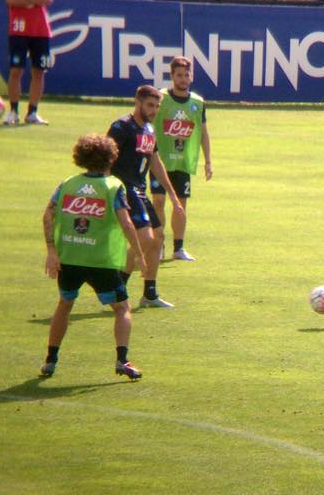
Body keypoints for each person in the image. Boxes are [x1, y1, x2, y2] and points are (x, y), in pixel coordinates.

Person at [40, 134, 147, 379]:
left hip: (69, 258)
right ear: (111, 158)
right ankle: (122, 360)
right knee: (122, 308)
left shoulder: (67, 184)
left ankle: (50, 361)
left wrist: (51, 251)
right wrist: (139, 255)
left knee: (64, 304)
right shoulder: (113, 186)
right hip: (101, 261)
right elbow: (126, 223)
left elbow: (47, 215)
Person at [107, 85, 184, 308]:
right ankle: (117, 286)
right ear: (137, 102)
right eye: (150, 105)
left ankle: (149, 293)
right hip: (123, 189)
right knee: (147, 238)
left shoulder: (149, 129)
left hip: (139, 190)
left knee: (158, 237)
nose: (154, 110)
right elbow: (105, 159)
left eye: (157, 106)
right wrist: (104, 188)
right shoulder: (121, 127)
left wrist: (173, 195)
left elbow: (155, 162)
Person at [149, 56, 212, 262]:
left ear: (191, 76)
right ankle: (158, 245)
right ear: (172, 76)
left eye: (186, 75)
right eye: (179, 75)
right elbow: (148, 123)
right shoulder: (161, 98)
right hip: (160, 162)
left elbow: (203, 133)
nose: (183, 79)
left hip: (182, 163)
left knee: (180, 205)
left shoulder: (198, 103)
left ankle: (178, 248)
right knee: (158, 201)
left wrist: (208, 161)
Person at [0, 0, 54, 126]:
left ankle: (32, 112)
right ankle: (13, 111)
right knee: (16, 71)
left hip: (41, 30)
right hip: (18, 29)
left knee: (39, 72)